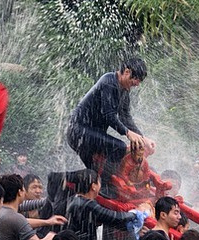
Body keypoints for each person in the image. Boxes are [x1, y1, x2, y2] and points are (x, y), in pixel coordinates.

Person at [66, 57, 154, 191]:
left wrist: (142, 138)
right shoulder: (109, 82)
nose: (137, 84)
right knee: (118, 147)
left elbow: (125, 116)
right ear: (126, 72)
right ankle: (106, 186)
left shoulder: (124, 90)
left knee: (92, 174)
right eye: (135, 79)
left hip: (93, 134)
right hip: (79, 131)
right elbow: (109, 115)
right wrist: (127, 133)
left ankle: (60, 179)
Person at [0, 174, 64, 240]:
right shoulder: (15, 218)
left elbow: (23, 222)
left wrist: (47, 222)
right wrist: (52, 235)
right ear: (20, 192)